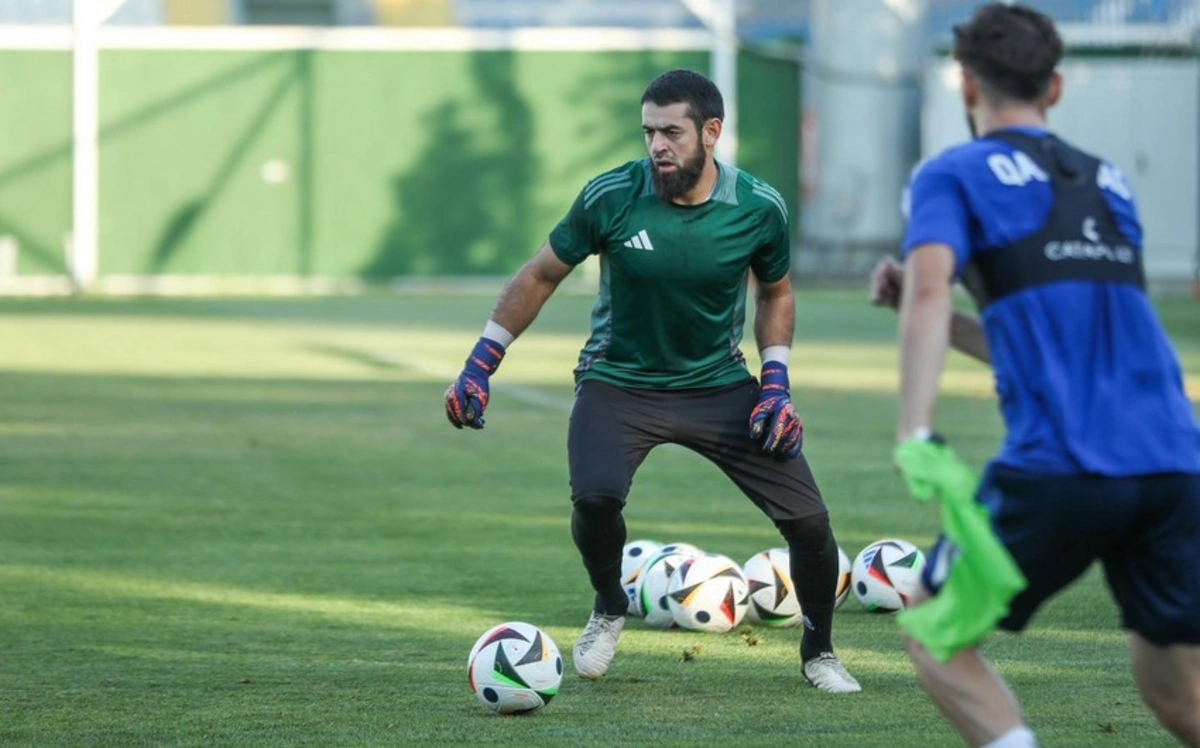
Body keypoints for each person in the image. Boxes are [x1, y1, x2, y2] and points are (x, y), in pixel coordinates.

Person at [445, 68, 860, 694]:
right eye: (649, 132)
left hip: (720, 387)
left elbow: (775, 291)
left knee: (809, 522)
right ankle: (610, 605)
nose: (657, 146)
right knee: (595, 500)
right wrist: (481, 362)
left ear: (711, 133)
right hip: (619, 382)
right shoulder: (610, 196)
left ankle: (819, 652)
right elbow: (539, 275)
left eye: (672, 132)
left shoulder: (759, 208)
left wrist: (776, 382)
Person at [872, 4, 1200, 746]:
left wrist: (915, 431)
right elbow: (1062, 345)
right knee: (1177, 695)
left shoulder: (950, 173)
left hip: (1066, 466)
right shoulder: (1109, 182)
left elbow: (929, 288)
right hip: (1175, 466)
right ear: (1054, 88)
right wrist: (931, 316)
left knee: (933, 627)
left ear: (965, 87)